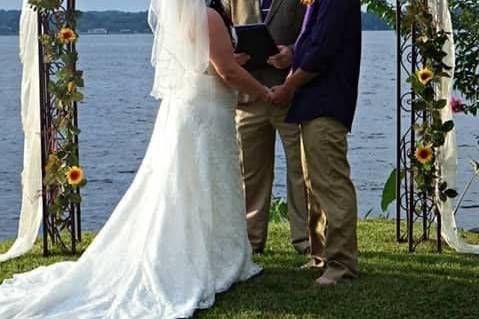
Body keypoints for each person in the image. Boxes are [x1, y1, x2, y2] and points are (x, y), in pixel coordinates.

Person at [0, 0, 273, 317]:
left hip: (190, 108)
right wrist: (265, 92)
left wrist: (229, 60)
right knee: (203, 183)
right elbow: (225, 70)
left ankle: (212, 253)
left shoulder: (188, 17)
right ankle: (211, 259)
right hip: (205, 113)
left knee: (190, 186)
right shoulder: (209, 15)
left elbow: (201, 60)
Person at [272, 0, 362, 285]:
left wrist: (288, 85)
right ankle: (321, 254)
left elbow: (322, 51)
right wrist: (293, 54)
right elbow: (312, 42)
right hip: (312, 103)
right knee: (314, 182)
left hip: (328, 101)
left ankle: (342, 263)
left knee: (331, 183)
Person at [223, 0, 309, 255]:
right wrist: (233, 56)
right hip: (248, 98)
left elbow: (312, 30)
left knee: (300, 170)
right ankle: (252, 241)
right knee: (250, 174)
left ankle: (305, 239)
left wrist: (293, 52)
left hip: (290, 93)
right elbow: (223, 32)